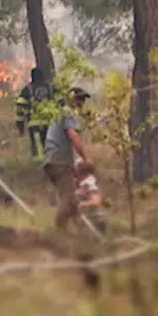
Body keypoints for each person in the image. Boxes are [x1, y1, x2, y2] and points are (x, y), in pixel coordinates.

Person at [43, 86, 93, 230]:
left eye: (83, 99)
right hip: (59, 161)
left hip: (52, 160)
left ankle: (81, 231)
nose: (81, 103)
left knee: (71, 198)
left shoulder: (60, 113)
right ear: (71, 99)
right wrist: (85, 158)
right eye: (79, 99)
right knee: (67, 198)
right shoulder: (68, 113)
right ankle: (59, 233)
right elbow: (73, 136)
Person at [15, 67, 54, 158]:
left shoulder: (27, 90)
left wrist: (20, 126)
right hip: (51, 124)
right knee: (51, 146)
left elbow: (20, 109)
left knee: (38, 150)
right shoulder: (50, 87)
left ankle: (40, 168)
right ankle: (53, 164)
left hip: (35, 125)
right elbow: (60, 103)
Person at [74, 161, 106, 234]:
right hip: (87, 222)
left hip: (94, 223)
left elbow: (96, 201)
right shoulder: (82, 184)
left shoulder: (90, 185)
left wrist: (83, 204)